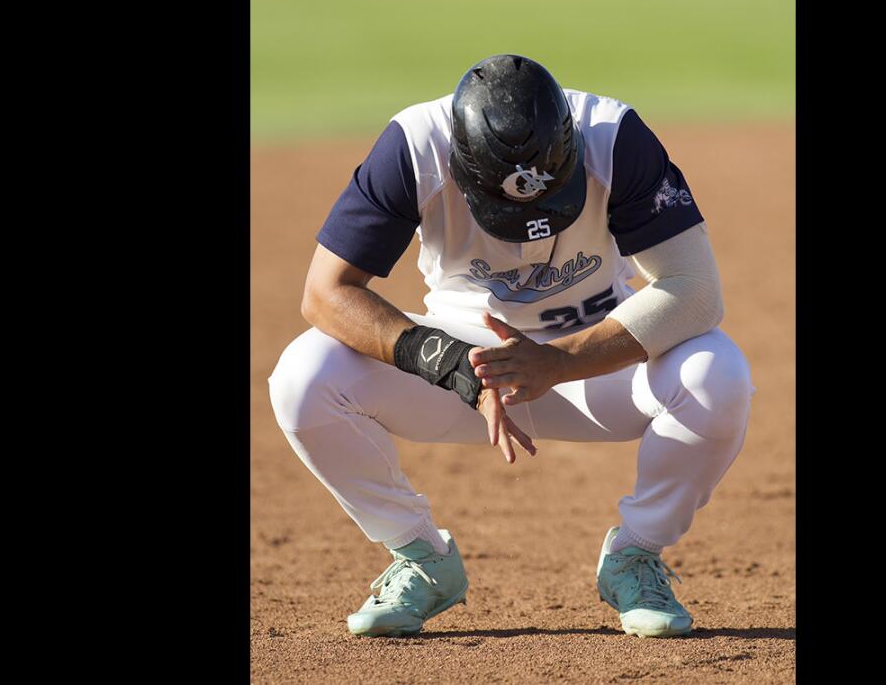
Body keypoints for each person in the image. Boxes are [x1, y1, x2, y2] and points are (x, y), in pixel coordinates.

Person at [268, 54, 754, 638]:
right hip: (464, 362)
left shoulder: (615, 138)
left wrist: (562, 360)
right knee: (304, 376)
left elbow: (695, 291)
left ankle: (635, 556)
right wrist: (450, 366)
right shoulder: (413, 147)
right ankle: (421, 558)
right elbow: (326, 294)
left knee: (716, 373)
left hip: (594, 359)